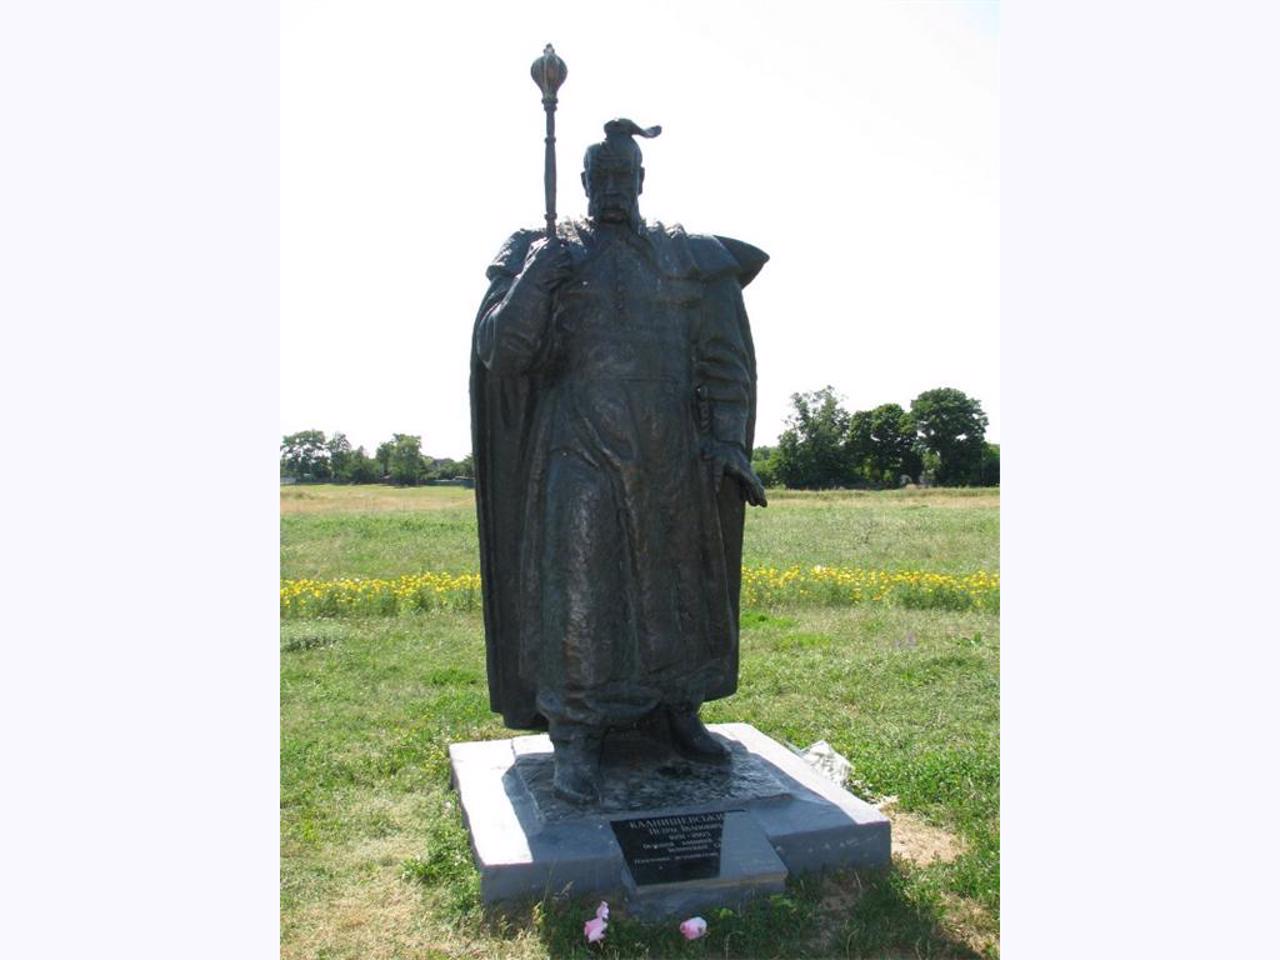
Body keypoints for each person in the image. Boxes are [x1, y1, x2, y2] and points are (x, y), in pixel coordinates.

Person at [469, 118, 768, 804]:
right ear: (581, 183)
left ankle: (677, 710)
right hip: (578, 445)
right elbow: (502, 352)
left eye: (622, 177)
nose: (610, 189)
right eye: (598, 178)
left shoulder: (685, 254)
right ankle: (575, 733)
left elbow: (726, 360)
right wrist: (540, 276)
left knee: (677, 589)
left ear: (641, 180)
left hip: (672, 452)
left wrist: (726, 441)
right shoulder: (543, 250)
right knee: (580, 589)